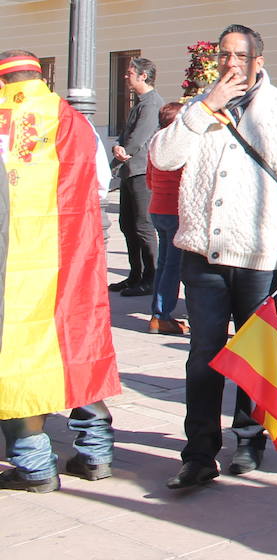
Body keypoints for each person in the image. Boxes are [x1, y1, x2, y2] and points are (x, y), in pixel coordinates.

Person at [150, 24, 277, 490]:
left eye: (240, 56)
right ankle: (199, 452)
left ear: (258, 61)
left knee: (254, 354)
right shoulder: (198, 107)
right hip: (202, 252)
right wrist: (203, 109)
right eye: (224, 55)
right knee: (204, 354)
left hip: (260, 254)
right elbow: (162, 159)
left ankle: (249, 439)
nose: (230, 63)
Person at [0, 50, 121, 492]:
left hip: (12, 263)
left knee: (17, 356)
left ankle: (34, 464)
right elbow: (102, 182)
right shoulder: (73, 119)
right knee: (77, 343)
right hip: (71, 253)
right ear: (40, 76)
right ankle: (95, 452)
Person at [109, 56, 164, 296]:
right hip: (129, 171)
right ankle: (135, 276)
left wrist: (124, 151)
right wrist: (118, 148)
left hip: (142, 172)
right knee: (127, 224)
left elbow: (139, 137)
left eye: (130, 73)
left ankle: (151, 278)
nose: (126, 76)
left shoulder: (152, 103)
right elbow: (125, 134)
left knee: (143, 226)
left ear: (143, 76)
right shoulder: (139, 102)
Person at [147, 101, 188, 335]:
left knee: (164, 264)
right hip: (175, 210)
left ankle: (159, 311)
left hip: (158, 208)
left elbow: (149, 180)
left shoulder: (156, 141)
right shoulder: (176, 145)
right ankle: (161, 315)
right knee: (173, 266)